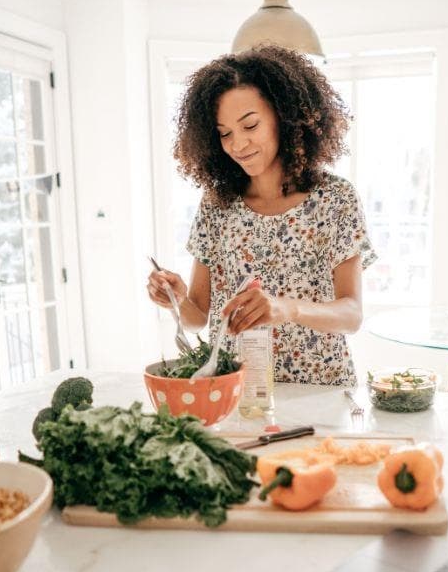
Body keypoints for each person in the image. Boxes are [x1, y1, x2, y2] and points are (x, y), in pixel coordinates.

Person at [146, 45, 376, 386]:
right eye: (225, 133)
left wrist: (287, 308)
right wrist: (177, 299)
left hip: (319, 389)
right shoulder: (217, 205)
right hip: (237, 389)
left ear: (284, 117)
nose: (237, 144)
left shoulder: (335, 199)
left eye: (250, 125)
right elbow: (198, 317)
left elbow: (352, 315)